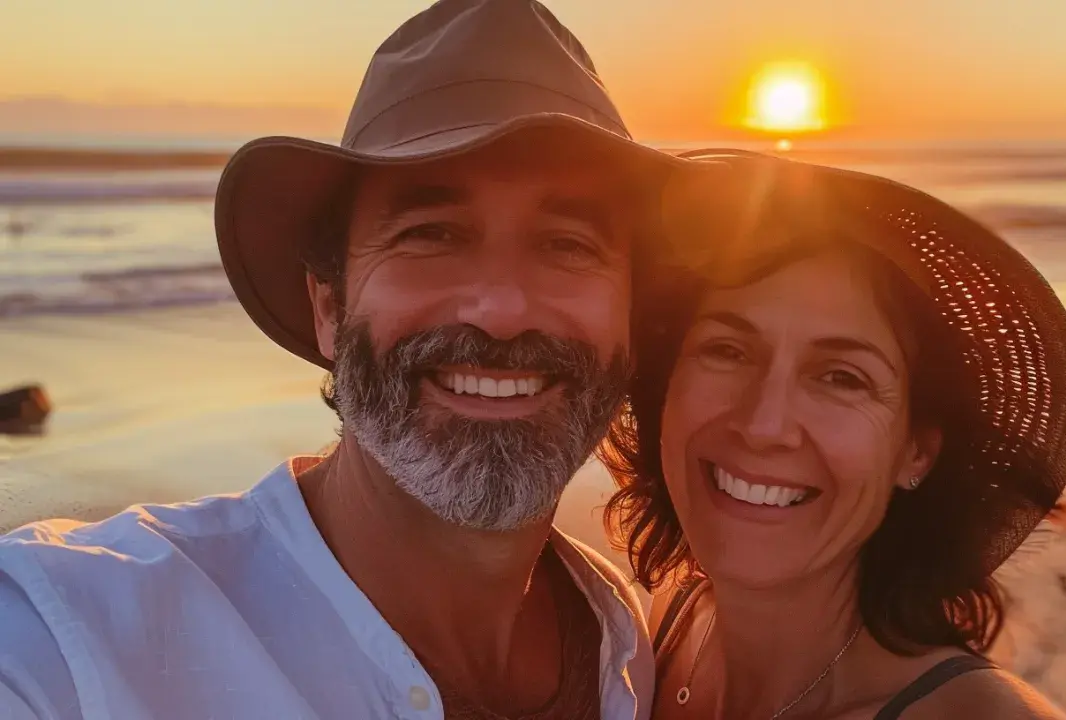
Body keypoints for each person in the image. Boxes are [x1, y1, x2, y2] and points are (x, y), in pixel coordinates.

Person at [0, 2, 703, 718]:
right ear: (330, 309)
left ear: (630, 319)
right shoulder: (72, 635)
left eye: (568, 245)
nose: (500, 309)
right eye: (432, 234)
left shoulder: (621, 638)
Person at [603, 150, 1066, 719]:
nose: (764, 425)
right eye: (728, 350)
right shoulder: (667, 623)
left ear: (916, 452)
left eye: (841, 377)